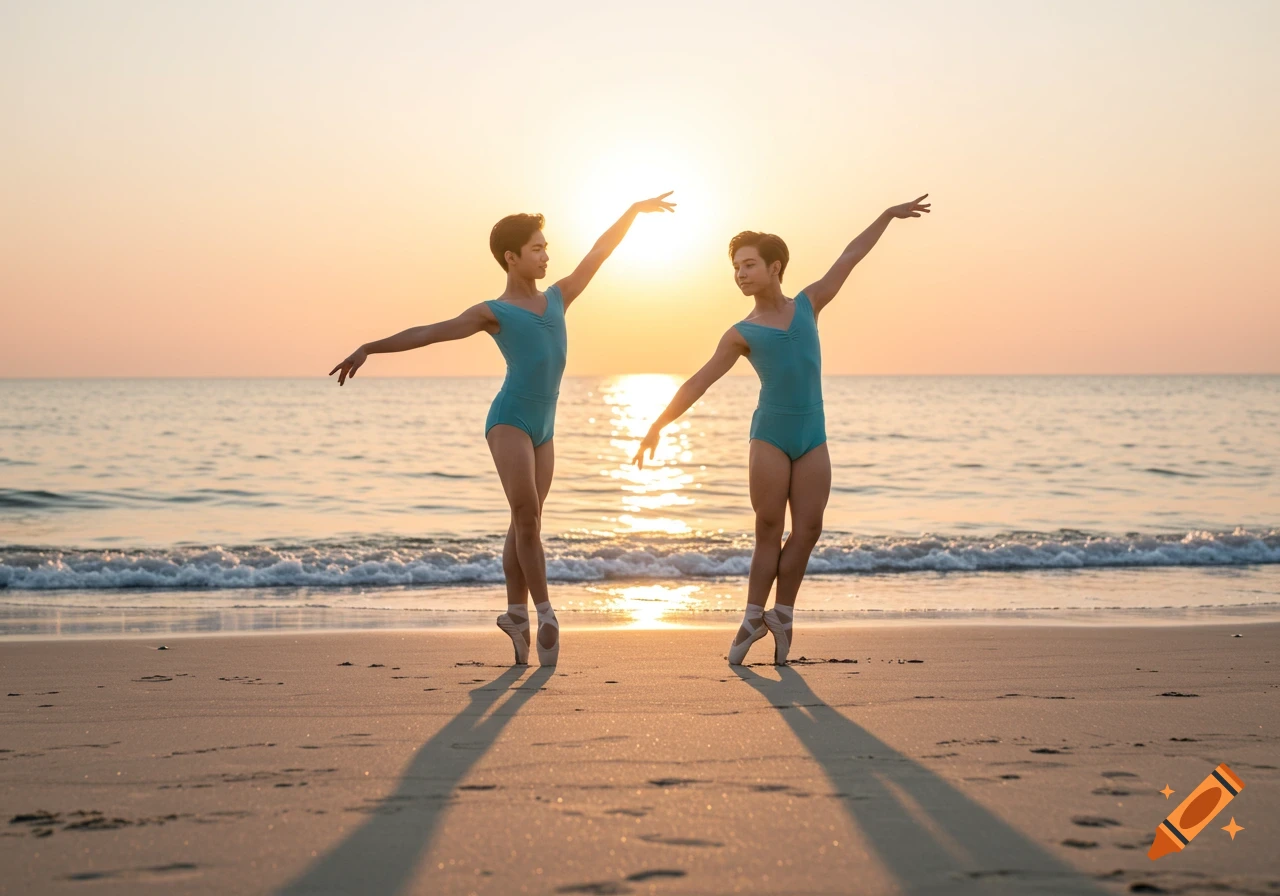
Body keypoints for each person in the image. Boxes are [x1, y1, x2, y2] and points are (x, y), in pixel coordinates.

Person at [331, 193, 676, 665]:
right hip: (509, 420)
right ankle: (546, 613)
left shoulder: (559, 296)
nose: (545, 254)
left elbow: (600, 252)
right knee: (528, 515)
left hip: (545, 427)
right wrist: (370, 347)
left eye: (546, 246)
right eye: (536, 248)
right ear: (511, 257)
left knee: (524, 523)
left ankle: (514, 616)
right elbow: (431, 331)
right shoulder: (493, 311)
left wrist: (633, 213)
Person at [632, 195, 930, 664]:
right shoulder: (741, 332)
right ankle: (753, 615)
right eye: (735, 267)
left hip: (813, 436)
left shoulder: (809, 304)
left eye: (749, 265)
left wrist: (887, 217)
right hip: (769, 436)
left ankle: (782, 615)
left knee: (809, 529)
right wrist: (657, 423)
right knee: (769, 528)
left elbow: (849, 257)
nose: (741, 274)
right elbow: (700, 380)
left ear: (775, 267)